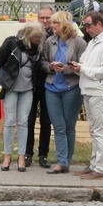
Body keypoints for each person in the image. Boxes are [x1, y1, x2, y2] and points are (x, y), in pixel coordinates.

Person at [68, 10, 103, 180]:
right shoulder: (93, 42)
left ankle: (101, 168)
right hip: (89, 89)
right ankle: (94, 164)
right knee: (94, 130)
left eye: (89, 25)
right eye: (85, 25)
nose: (86, 28)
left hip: (99, 90)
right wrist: (76, 67)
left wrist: (83, 69)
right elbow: (87, 64)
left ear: (99, 24)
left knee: (100, 130)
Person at [0, 21, 44, 172]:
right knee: (9, 121)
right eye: (35, 37)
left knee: (23, 122)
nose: (38, 39)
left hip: (28, 89)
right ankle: (7, 155)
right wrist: (4, 79)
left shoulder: (38, 49)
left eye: (39, 37)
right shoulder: (12, 43)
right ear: (28, 35)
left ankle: (21, 156)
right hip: (11, 88)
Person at [41, 11, 87, 174]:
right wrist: (51, 67)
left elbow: (83, 66)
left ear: (65, 25)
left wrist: (66, 69)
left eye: (56, 23)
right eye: (52, 23)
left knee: (69, 126)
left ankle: (66, 161)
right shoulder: (49, 41)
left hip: (72, 88)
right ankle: (62, 162)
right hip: (52, 88)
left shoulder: (79, 43)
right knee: (58, 125)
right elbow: (43, 62)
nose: (52, 26)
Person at [25, 5, 54, 168]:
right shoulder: (31, 35)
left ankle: (43, 154)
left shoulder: (55, 36)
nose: (45, 21)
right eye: (42, 18)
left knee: (46, 121)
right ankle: (27, 153)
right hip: (30, 84)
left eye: (47, 18)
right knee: (28, 120)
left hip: (48, 83)